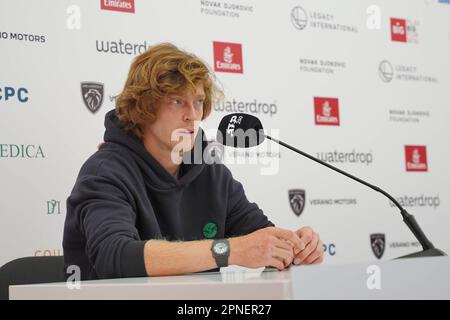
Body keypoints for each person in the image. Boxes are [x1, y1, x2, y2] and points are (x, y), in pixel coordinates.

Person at [63, 43, 324, 280]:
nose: (192, 115)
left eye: (198, 102)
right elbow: (115, 256)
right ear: (143, 107)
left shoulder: (211, 173)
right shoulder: (104, 172)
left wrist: (295, 248)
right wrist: (227, 250)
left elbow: (260, 239)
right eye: (177, 102)